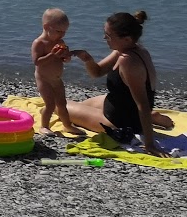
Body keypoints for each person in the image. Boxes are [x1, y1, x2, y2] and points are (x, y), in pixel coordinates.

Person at [67, 11, 170, 155]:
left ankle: (147, 120)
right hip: (118, 104)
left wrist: (150, 144)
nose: (104, 38)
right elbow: (96, 72)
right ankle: (151, 117)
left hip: (119, 122)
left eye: (108, 36)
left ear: (127, 39)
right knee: (80, 105)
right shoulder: (131, 49)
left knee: (59, 106)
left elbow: (143, 104)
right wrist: (87, 59)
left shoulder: (128, 61)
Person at [30, 8, 83, 136]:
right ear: (46, 27)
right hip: (44, 79)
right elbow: (37, 61)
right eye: (58, 31)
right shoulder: (39, 43)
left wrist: (66, 56)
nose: (62, 35)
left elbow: (64, 59)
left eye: (64, 32)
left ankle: (67, 125)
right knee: (50, 104)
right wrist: (52, 55)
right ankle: (44, 126)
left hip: (57, 79)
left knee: (62, 103)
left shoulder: (60, 42)